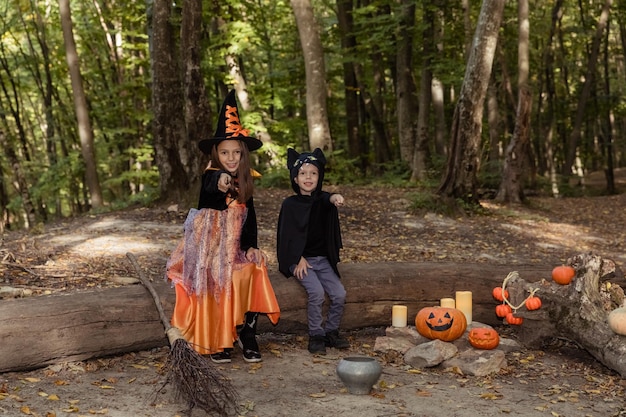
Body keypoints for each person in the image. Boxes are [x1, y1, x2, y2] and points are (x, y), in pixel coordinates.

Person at [166, 90, 280, 364]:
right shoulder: (211, 176)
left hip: (234, 250)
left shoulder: (245, 183)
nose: (231, 158)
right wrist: (220, 179)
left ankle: (246, 332)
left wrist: (251, 246)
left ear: (243, 156)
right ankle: (217, 337)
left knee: (255, 269)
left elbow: (248, 220)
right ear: (215, 154)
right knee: (218, 280)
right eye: (225, 152)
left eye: (236, 153)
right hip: (208, 253)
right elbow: (211, 185)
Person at [276, 148, 350, 354]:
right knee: (316, 293)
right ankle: (316, 334)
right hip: (300, 260)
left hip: (322, 260)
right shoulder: (290, 204)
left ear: (320, 176)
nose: (308, 177)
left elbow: (330, 198)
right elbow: (286, 236)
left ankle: (331, 332)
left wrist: (336, 197)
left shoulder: (322, 201)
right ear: (295, 178)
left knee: (339, 294)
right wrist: (297, 258)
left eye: (313, 173)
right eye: (303, 173)